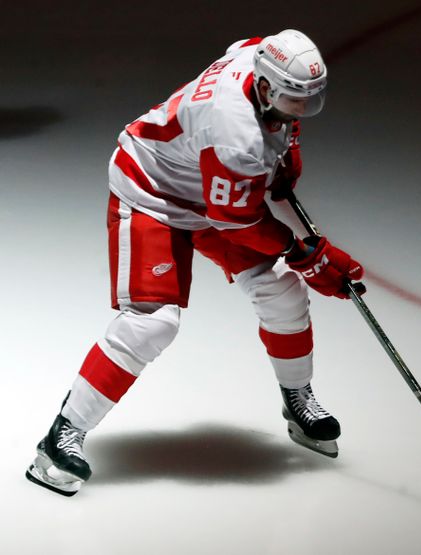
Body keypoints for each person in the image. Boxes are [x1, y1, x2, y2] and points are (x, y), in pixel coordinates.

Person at [25, 29, 364, 497]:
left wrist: (286, 150)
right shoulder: (235, 136)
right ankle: (60, 438)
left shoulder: (257, 58)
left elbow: (245, 44)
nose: (302, 110)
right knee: (152, 323)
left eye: (309, 100)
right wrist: (306, 255)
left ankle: (297, 400)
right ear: (264, 87)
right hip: (154, 194)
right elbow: (237, 221)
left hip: (209, 194)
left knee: (283, 293)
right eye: (292, 100)